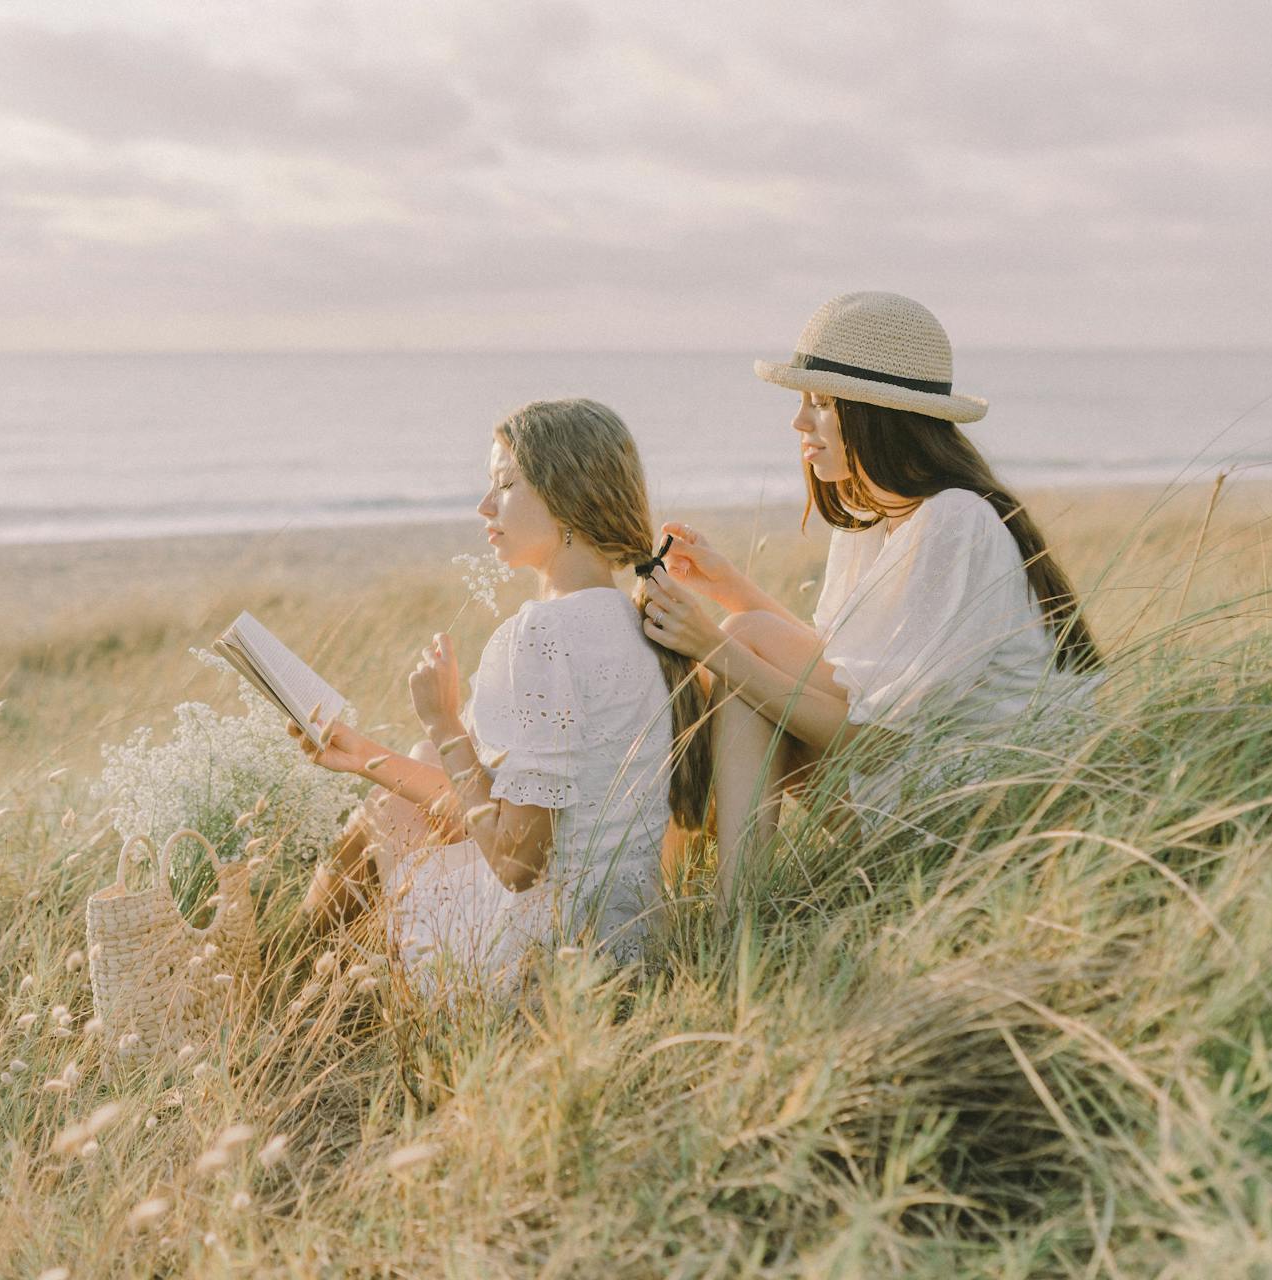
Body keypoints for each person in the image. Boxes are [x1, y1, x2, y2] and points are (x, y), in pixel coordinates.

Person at [640, 291, 1105, 913]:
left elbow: (875, 739)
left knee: (738, 645)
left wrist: (712, 643)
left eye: (823, 404)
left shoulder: (955, 521)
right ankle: (712, 903)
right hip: (917, 785)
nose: (800, 424)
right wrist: (727, 589)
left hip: (979, 823)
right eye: (803, 402)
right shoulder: (873, 519)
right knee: (745, 635)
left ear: (879, 414)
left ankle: (718, 910)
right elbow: (841, 671)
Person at [293, 398, 710, 995]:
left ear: (568, 497)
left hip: (536, 967)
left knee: (382, 819)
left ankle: (274, 998)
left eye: (505, 485)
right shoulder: (636, 624)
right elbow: (510, 810)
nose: (484, 506)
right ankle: (304, 991)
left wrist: (444, 724)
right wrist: (362, 754)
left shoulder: (541, 635)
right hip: (625, 948)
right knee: (401, 788)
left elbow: (518, 863)